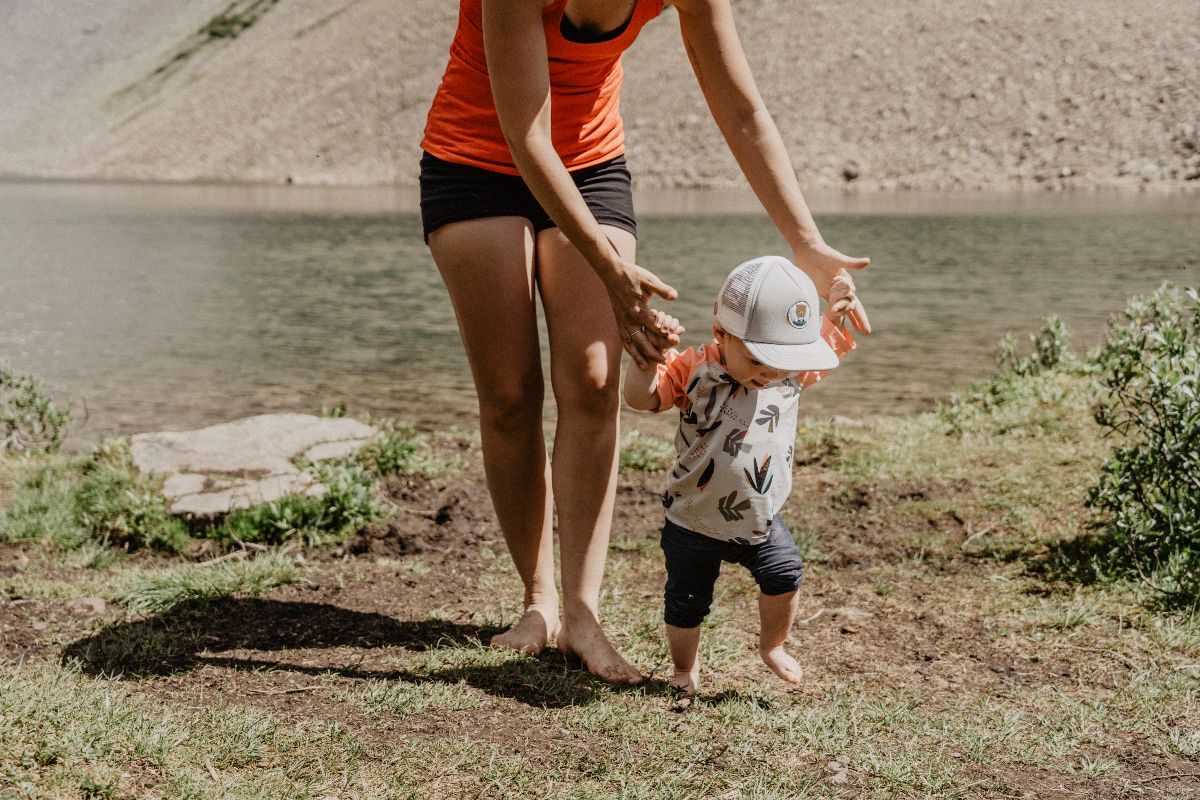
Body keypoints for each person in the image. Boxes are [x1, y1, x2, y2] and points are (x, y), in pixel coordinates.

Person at [419, 0, 871, 685]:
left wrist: (809, 247)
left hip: (591, 160)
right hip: (477, 157)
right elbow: (527, 134)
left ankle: (581, 613)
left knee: (595, 381)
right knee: (511, 393)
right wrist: (608, 267)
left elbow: (742, 111)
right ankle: (538, 603)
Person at [622, 256, 859, 694]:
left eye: (781, 362)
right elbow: (642, 399)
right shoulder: (694, 370)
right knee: (687, 602)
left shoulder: (790, 371)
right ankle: (683, 667)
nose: (770, 373)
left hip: (759, 518)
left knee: (785, 573)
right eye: (758, 359)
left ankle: (773, 646)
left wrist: (836, 308)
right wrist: (645, 361)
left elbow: (822, 338)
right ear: (721, 334)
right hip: (692, 519)